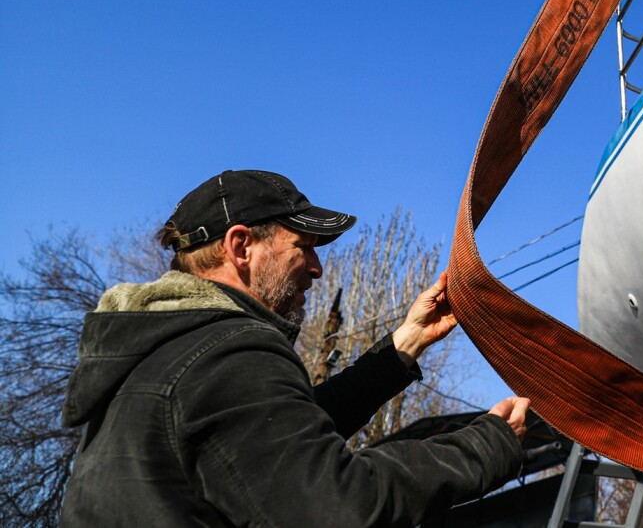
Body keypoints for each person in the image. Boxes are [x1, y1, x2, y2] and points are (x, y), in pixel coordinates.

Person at [60, 169, 530, 527]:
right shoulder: (228, 352)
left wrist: (402, 347)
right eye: (303, 245)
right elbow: (341, 505)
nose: (317, 268)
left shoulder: (165, 350)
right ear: (241, 246)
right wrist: (486, 444)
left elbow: (276, 440)